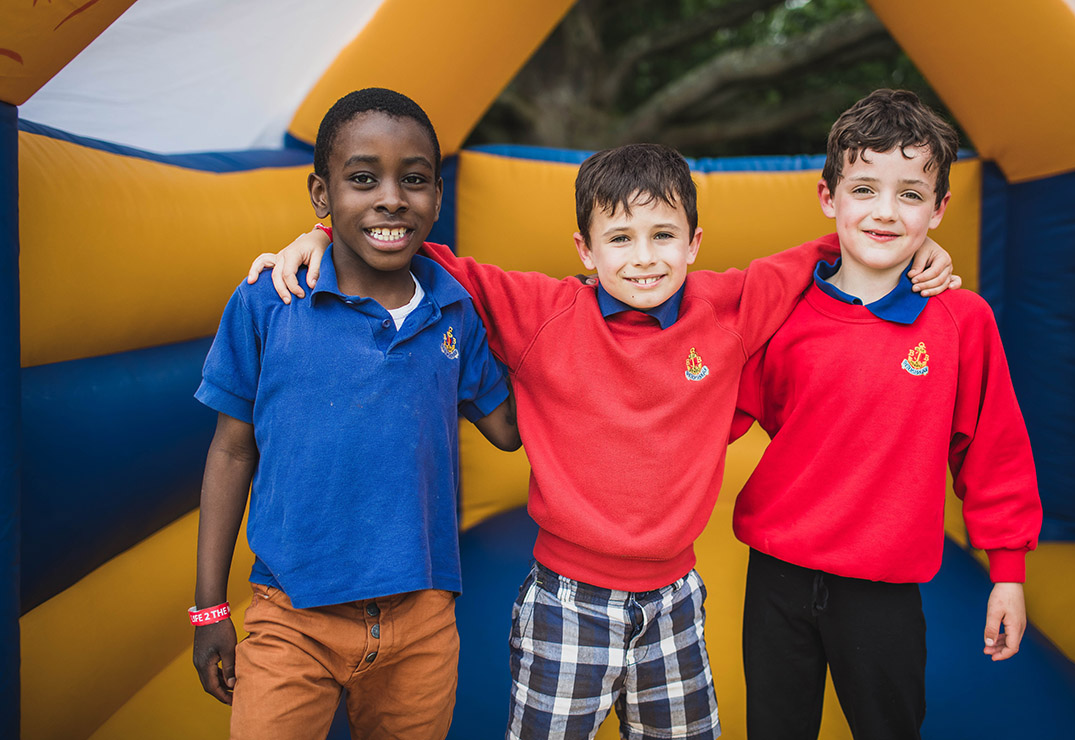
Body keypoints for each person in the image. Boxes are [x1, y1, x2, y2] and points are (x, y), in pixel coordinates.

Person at [249, 141, 958, 740]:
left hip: (674, 603)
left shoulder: (729, 308)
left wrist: (921, 242)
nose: (643, 258)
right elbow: (422, 257)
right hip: (567, 602)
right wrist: (321, 234)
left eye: (662, 236)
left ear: (694, 244)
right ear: (585, 250)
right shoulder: (545, 313)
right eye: (619, 239)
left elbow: (837, 245)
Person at [191, 88, 520, 740]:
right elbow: (231, 451)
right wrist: (208, 610)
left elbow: (509, 431)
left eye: (416, 179)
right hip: (292, 620)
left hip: (421, 620)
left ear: (438, 195)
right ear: (322, 195)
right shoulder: (270, 299)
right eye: (363, 178)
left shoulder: (454, 311)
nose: (393, 197)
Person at [729, 89, 1042, 740]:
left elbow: (993, 450)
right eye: (864, 188)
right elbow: (708, 417)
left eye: (909, 194)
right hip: (777, 579)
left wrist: (1007, 573)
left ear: (940, 208)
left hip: (883, 587)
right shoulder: (781, 311)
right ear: (829, 197)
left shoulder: (962, 320)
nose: (884, 211)